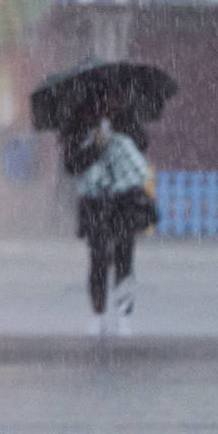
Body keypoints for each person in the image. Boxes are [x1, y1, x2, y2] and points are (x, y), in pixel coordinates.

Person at [73, 118, 155, 336]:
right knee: (98, 260)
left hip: (124, 202)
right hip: (95, 202)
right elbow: (72, 164)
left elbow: (142, 145)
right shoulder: (81, 125)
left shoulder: (127, 116)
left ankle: (124, 316)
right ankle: (98, 314)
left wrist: (122, 131)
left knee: (124, 260)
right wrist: (95, 146)